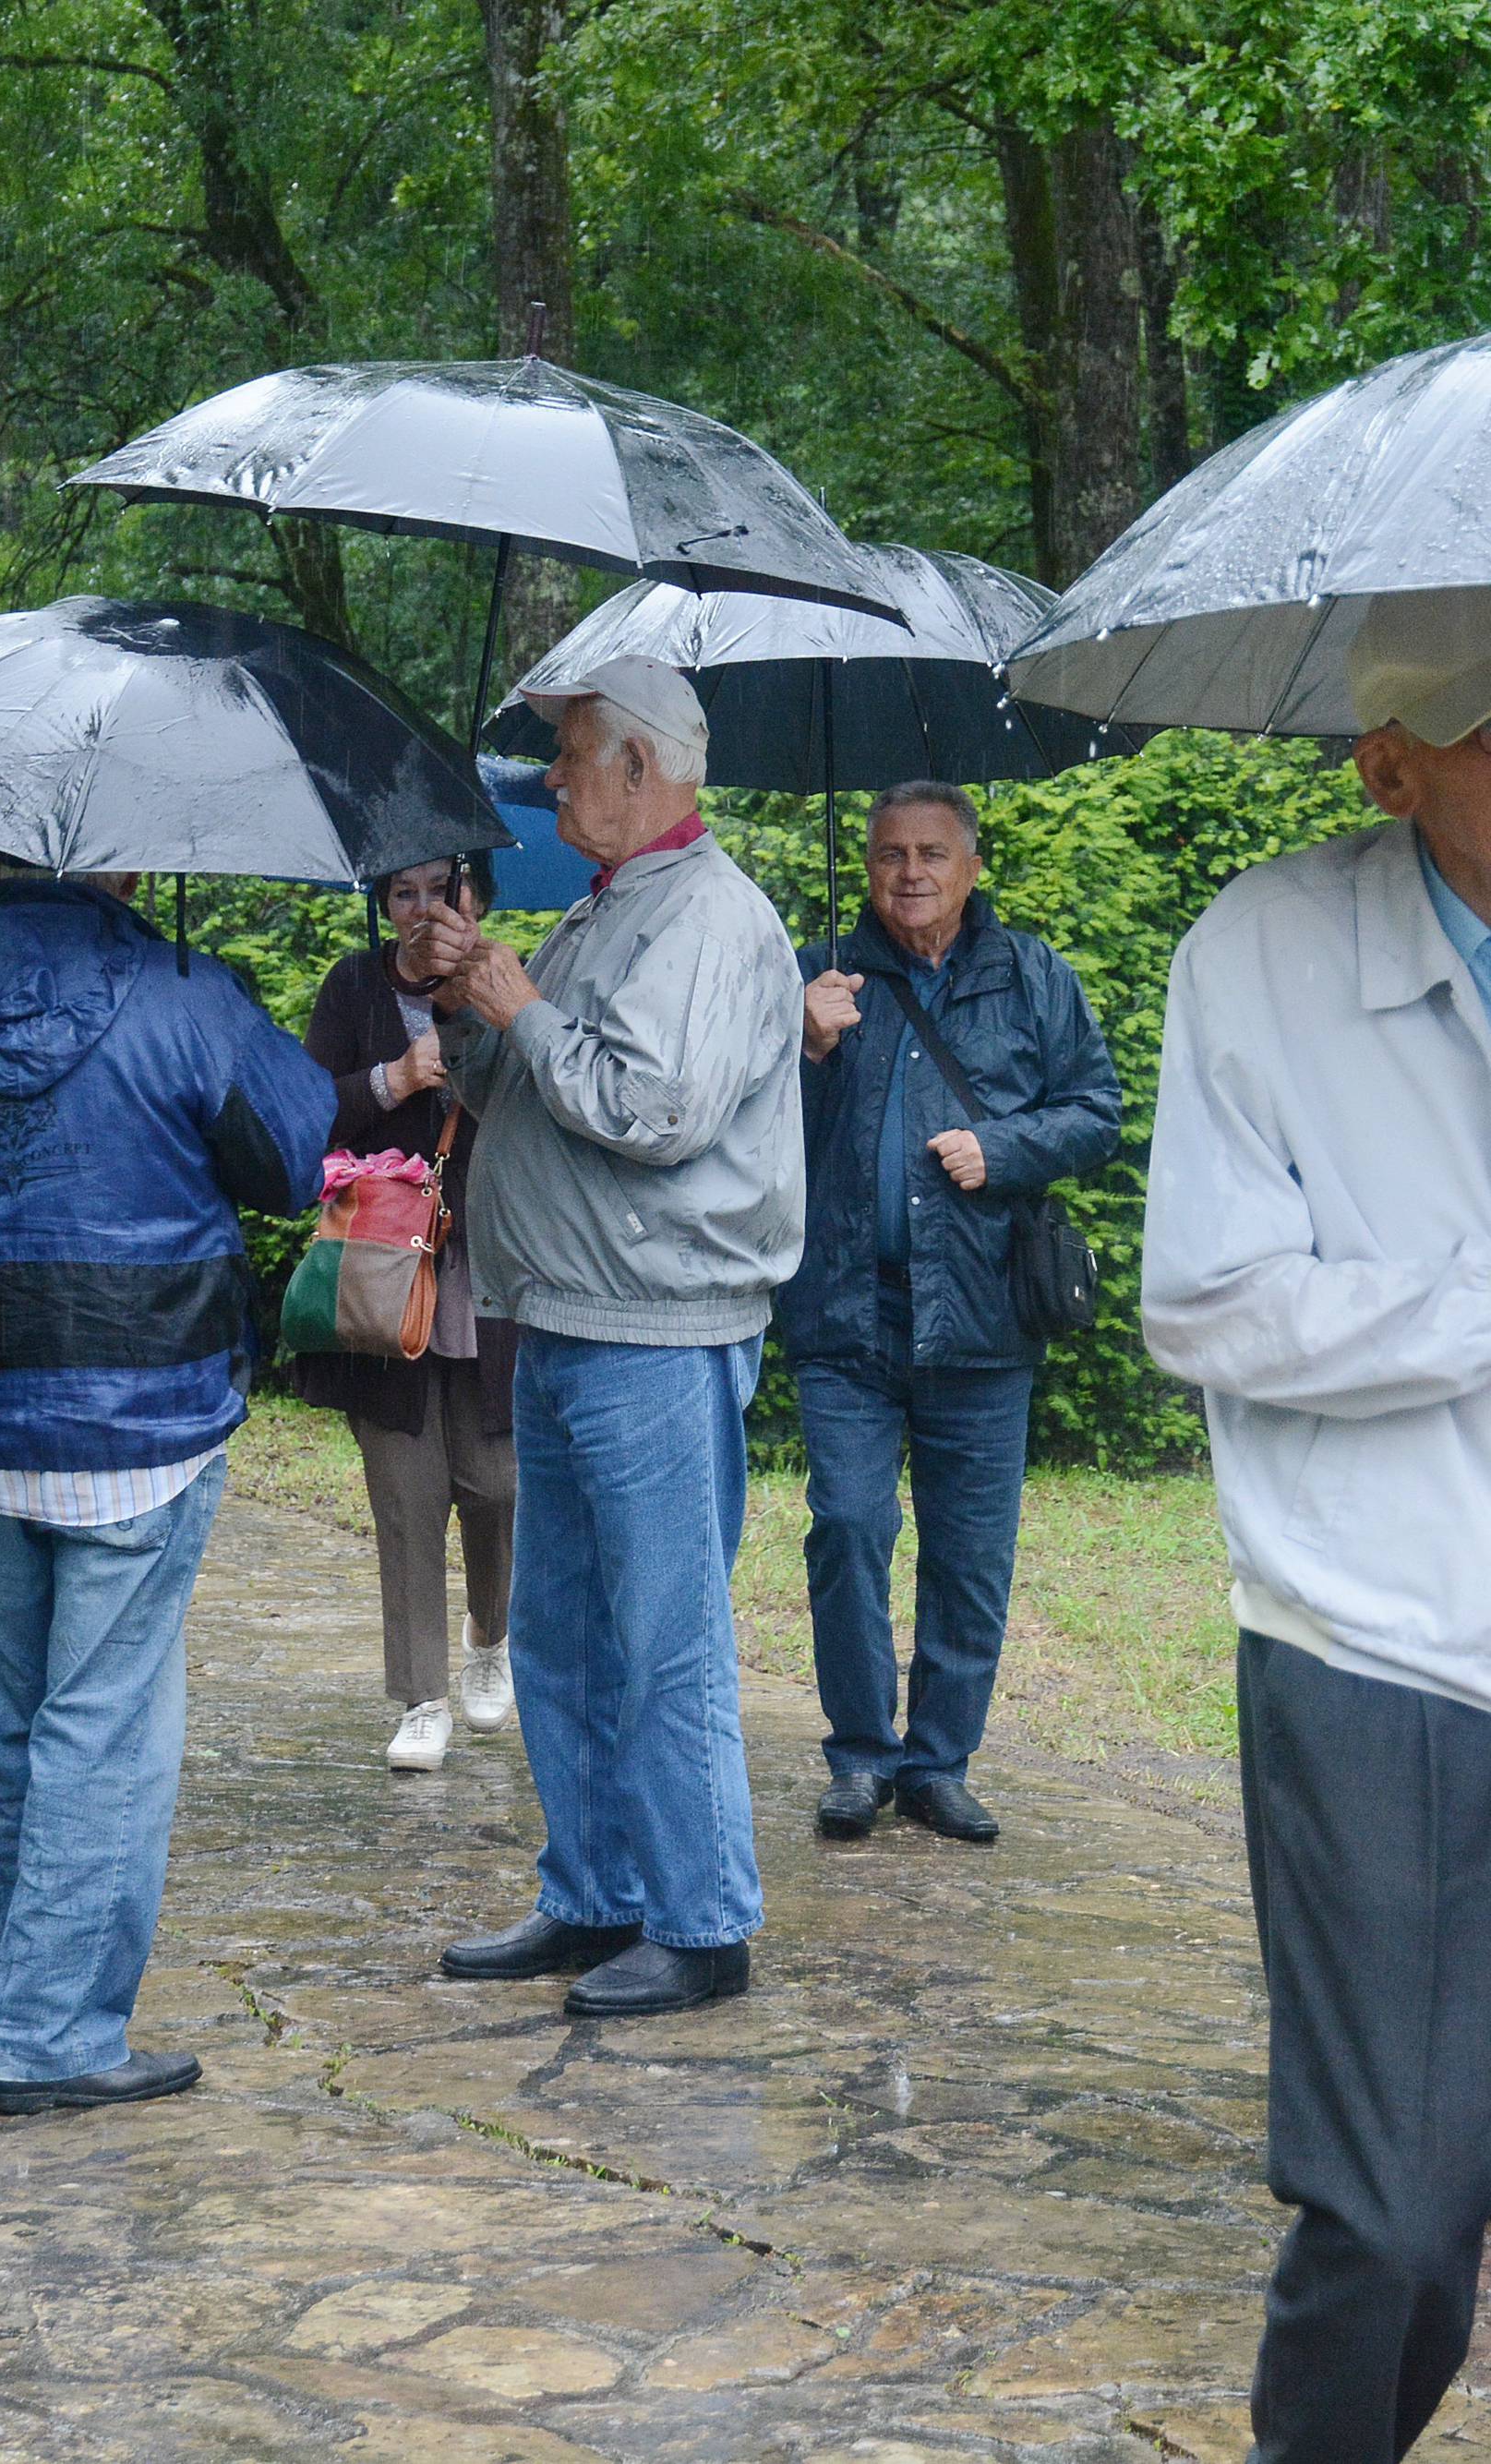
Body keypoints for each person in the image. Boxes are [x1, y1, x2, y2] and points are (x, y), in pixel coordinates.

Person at [1141, 594, 1491, 2464]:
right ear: (1393, 762)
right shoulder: (1264, 951)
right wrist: (1469, 1301)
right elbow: (1202, 1300)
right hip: (1385, 1644)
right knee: (1399, 2208)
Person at [0, 859, 333, 2115]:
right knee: (104, 1729)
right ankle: (53, 2035)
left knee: (3, 1721)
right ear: (130, 853)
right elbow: (293, 1160)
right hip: (143, 1416)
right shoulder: (183, 993)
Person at [416, 655, 804, 2019]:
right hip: (569, 1314)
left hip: (659, 1327)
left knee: (664, 1633)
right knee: (566, 1631)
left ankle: (702, 1922)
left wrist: (522, 1006)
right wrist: (466, 1003)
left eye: (573, 755)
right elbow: (523, 1091)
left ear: (643, 767)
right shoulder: (608, 906)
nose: (554, 779)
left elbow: (655, 1112)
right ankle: (593, 1894)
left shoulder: (706, 917)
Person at [782, 783, 1119, 1845]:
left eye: (931, 851)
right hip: (848, 1312)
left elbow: (1097, 1108)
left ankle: (939, 1760)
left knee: (971, 1554)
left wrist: (1007, 1148)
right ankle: (858, 1754)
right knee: (846, 1525)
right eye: (889, 853)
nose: (909, 871)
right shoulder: (821, 979)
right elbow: (738, 1121)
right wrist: (798, 1048)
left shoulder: (1030, 975)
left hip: (979, 1317)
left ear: (972, 864)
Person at [298, 855, 516, 1773]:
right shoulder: (352, 986)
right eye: (404, 893)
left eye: (445, 890)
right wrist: (394, 1077)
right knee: (405, 1488)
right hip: (384, 1270)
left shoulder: (509, 982)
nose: (425, 910)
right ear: (382, 905)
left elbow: (542, 1100)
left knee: (498, 1483)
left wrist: (472, 1016)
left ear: (479, 900)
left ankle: (491, 1637)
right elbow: (305, 1112)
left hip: (491, 1273)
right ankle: (421, 1695)